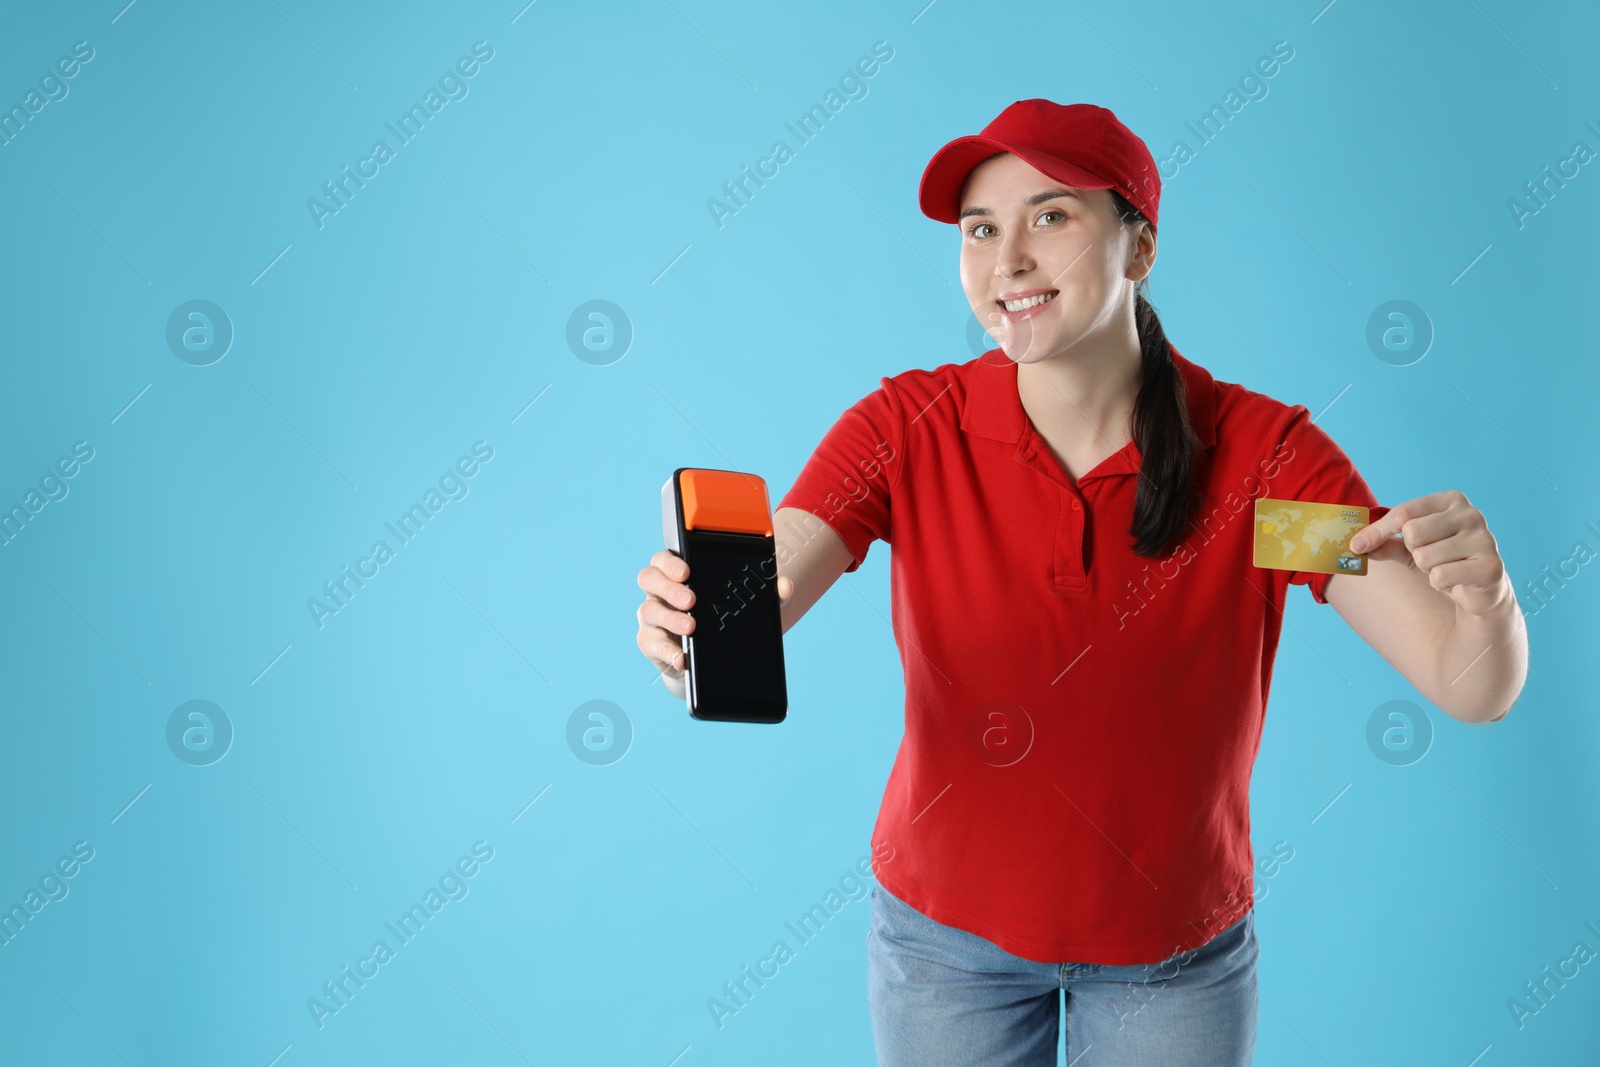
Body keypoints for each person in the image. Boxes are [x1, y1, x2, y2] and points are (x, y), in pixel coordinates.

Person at [635, 99, 1526, 1066]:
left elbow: (1468, 683)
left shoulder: (1264, 475)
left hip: (1172, 960)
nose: (1007, 259)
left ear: (1140, 248)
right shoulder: (905, 431)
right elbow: (766, 593)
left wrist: (1488, 603)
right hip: (945, 947)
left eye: (1051, 216)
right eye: (981, 229)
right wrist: (692, 620)